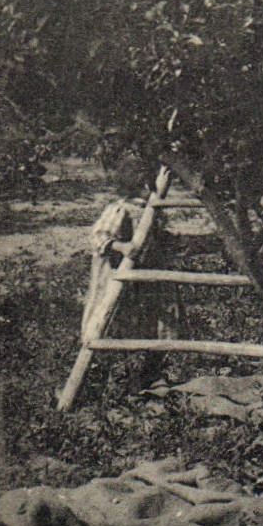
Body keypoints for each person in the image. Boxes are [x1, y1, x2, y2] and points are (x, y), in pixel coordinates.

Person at [83, 159, 186, 383]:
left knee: (153, 323)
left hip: (148, 276)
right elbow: (98, 236)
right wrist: (122, 247)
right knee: (115, 321)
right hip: (121, 277)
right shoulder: (122, 209)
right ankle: (113, 376)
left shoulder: (152, 210)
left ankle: (148, 374)